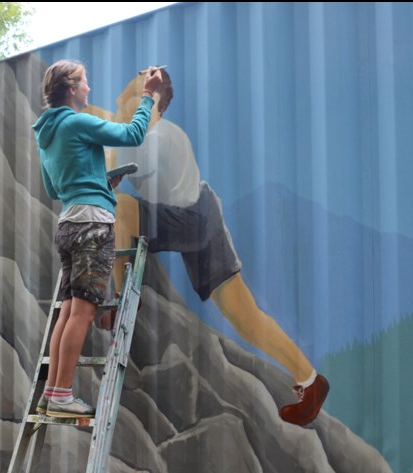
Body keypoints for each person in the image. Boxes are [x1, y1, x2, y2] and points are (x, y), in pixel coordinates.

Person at [109, 69, 329, 426]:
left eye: (136, 99)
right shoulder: (143, 133)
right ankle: (309, 379)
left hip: (189, 219)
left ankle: (117, 303)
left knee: (117, 210)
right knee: (243, 314)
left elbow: (114, 167)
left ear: (153, 109)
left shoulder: (153, 138)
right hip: (203, 208)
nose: (124, 102)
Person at [31, 60, 163, 419]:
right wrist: (149, 96)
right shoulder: (77, 121)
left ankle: (50, 393)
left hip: (70, 223)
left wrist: (98, 181)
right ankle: (60, 396)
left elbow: (54, 187)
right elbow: (133, 135)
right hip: (93, 224)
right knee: (84, 312)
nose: (89, 88)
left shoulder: (47, 132)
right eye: (85, 81)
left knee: (70, 311)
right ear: (71, 89)